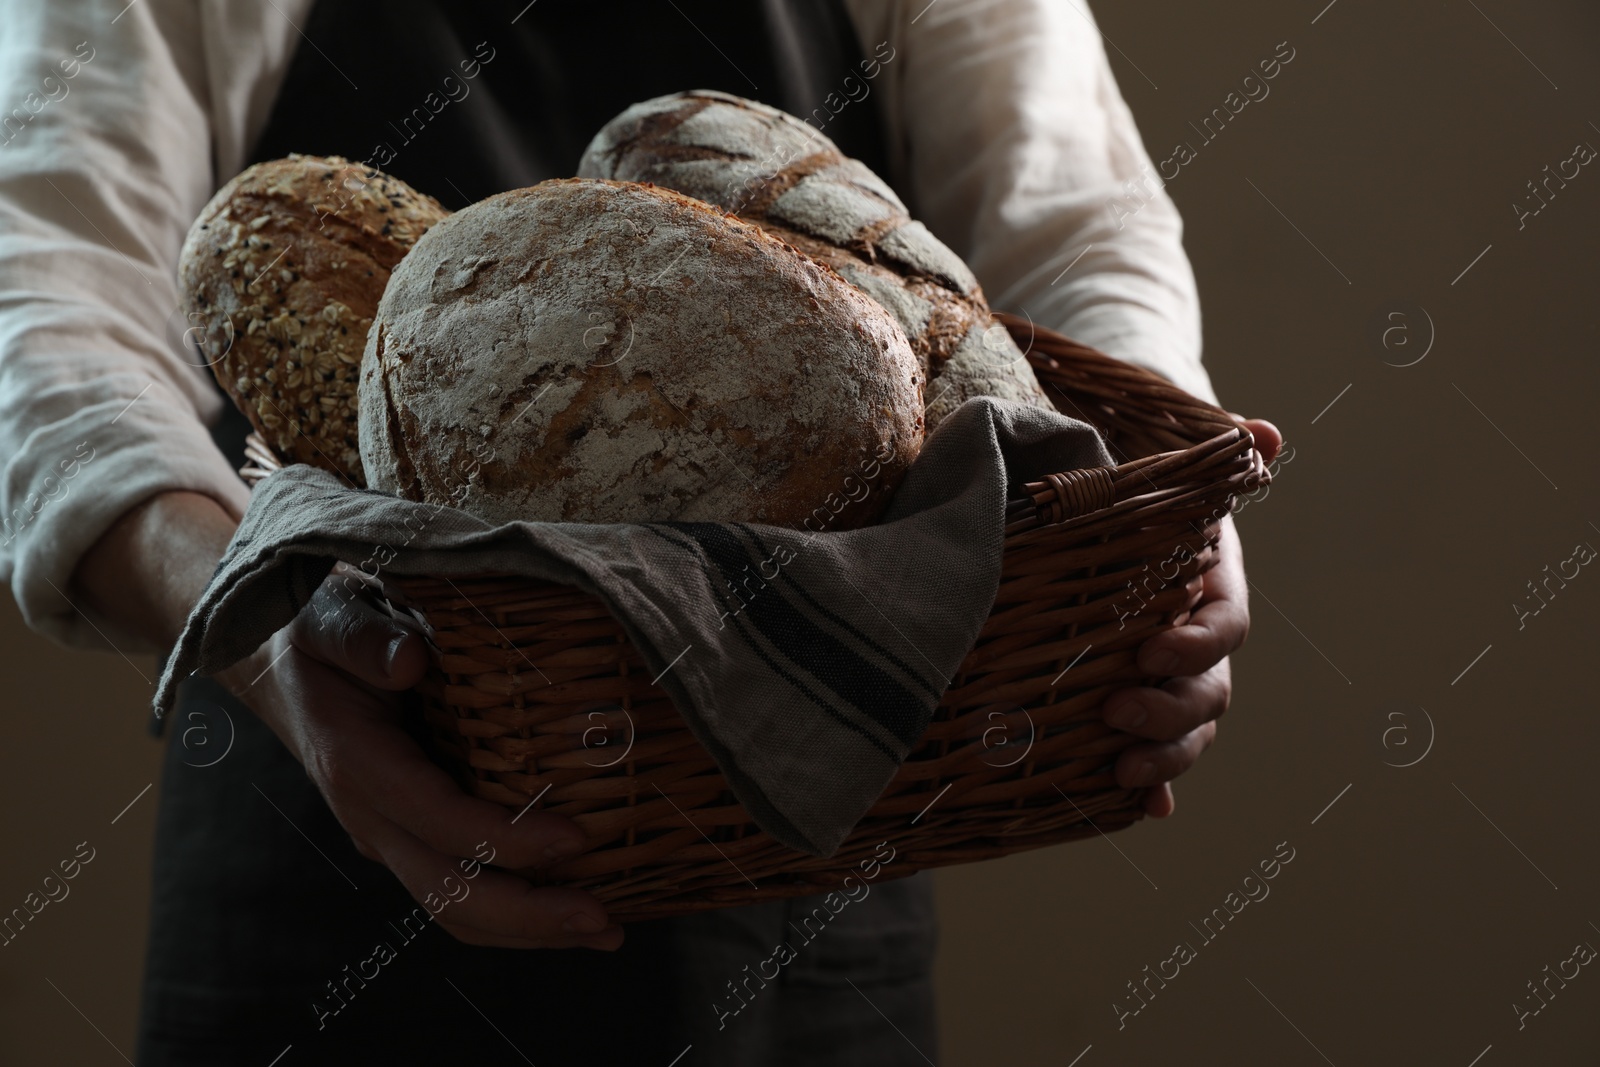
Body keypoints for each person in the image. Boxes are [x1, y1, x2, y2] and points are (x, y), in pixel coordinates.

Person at [0, 1, 1281, 1062]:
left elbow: (1075, 233)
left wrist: (1150, 522)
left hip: (821, 813)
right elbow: (41, 285)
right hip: (346, 797)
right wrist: (270, 639)